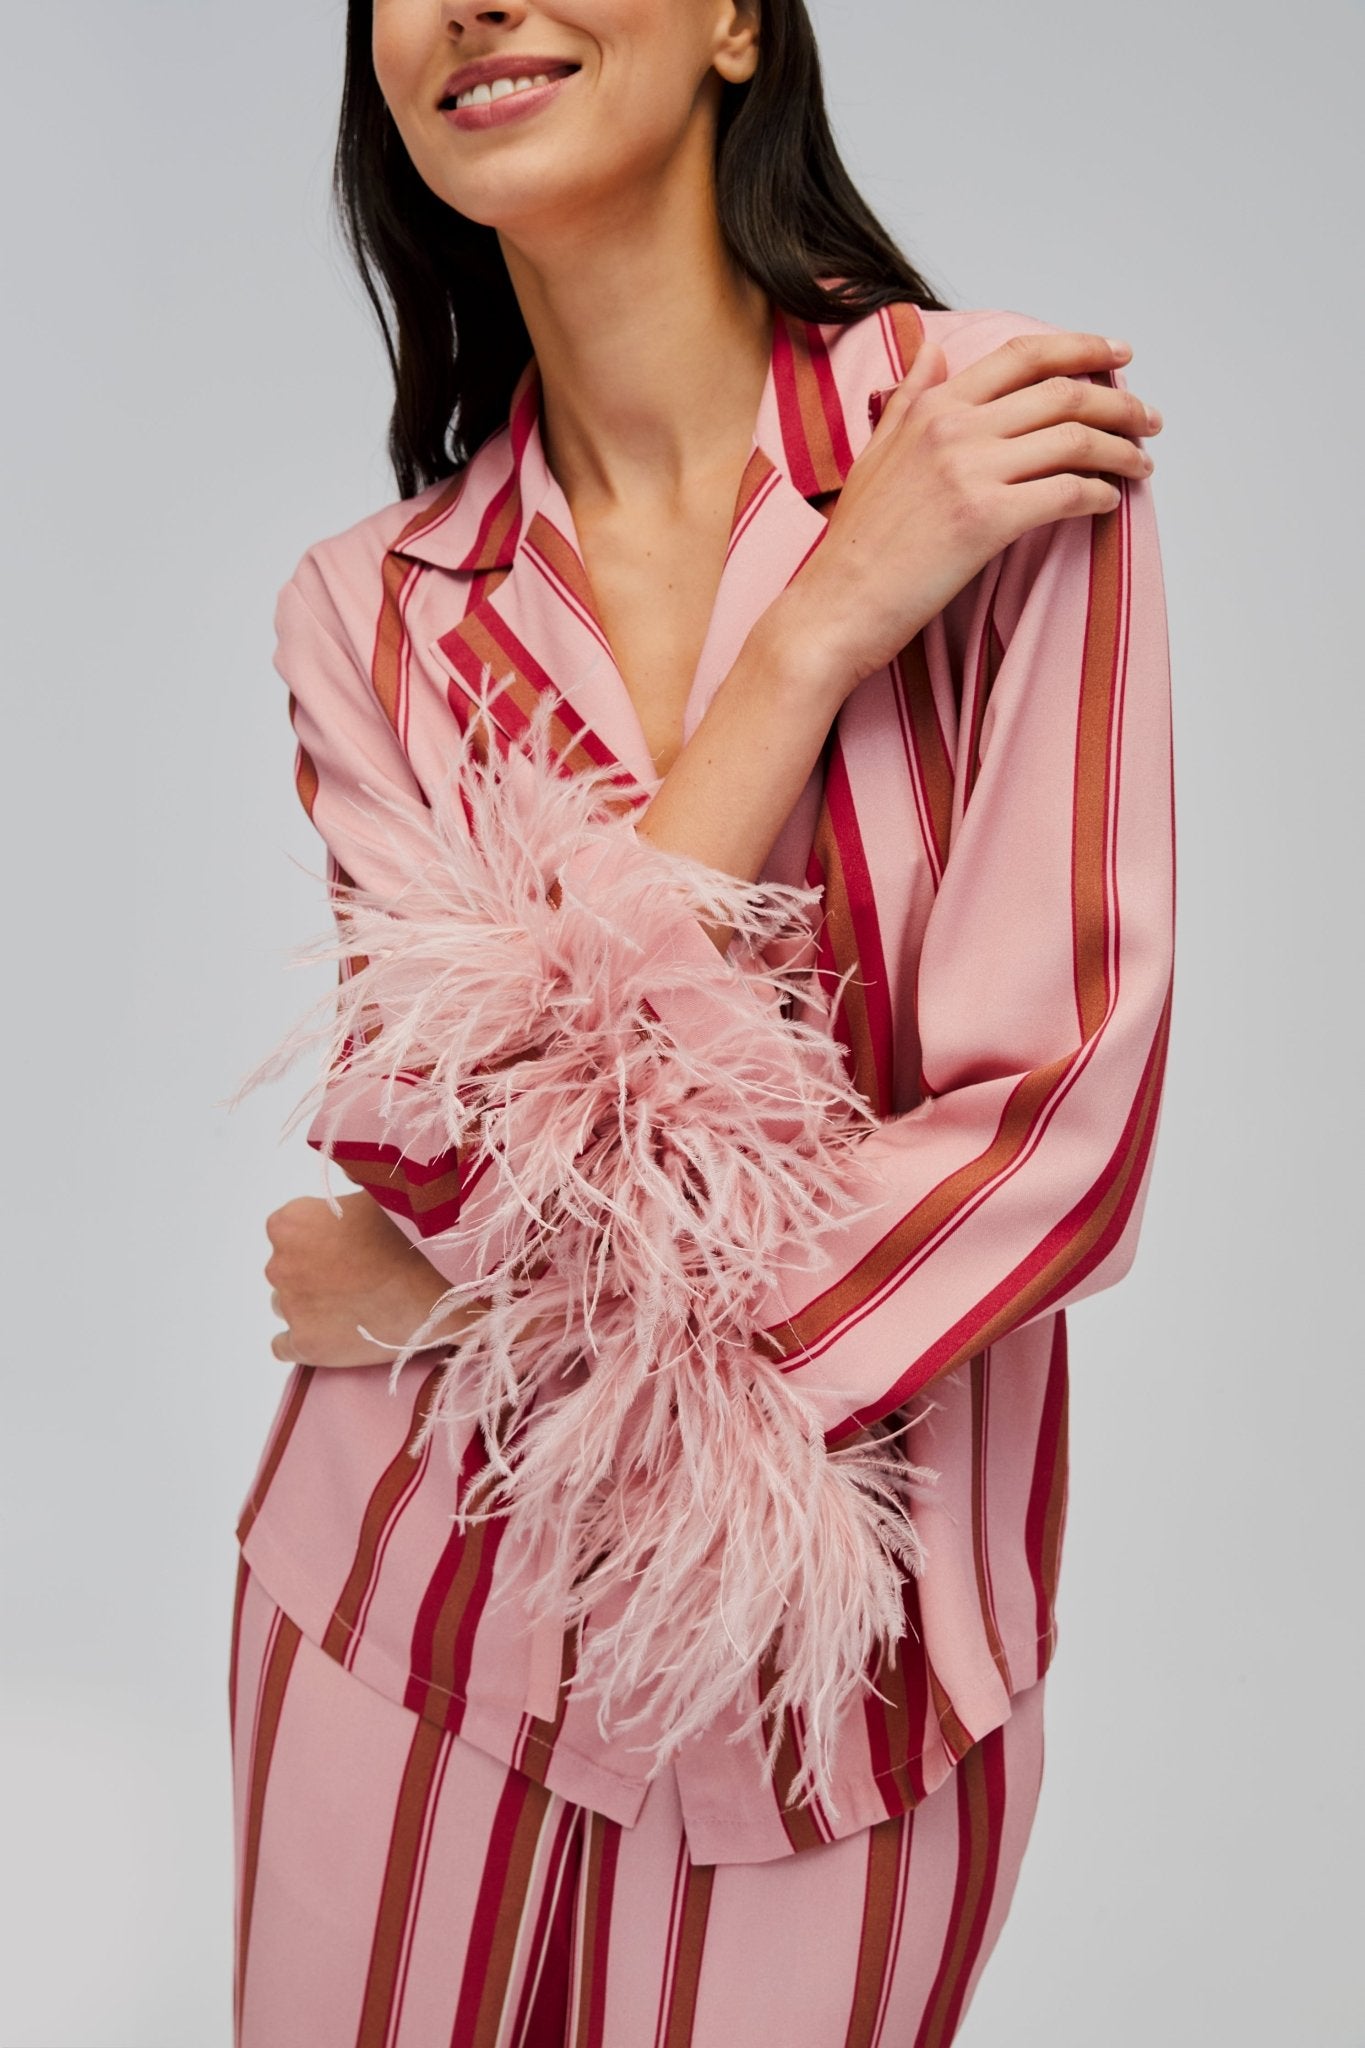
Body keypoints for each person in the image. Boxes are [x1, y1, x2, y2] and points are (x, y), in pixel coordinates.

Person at [228, 0, 1173, 2039]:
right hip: (410, 1625)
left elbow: (1051, 1138)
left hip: (848, 1678)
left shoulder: (992, 440)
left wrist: (463, 1296)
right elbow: (446, 1138)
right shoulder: (367, 613)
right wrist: (818, 636)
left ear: (736, 18)